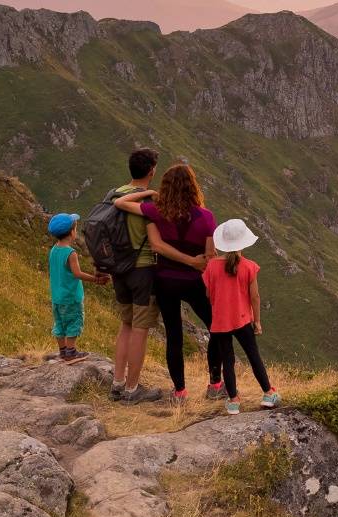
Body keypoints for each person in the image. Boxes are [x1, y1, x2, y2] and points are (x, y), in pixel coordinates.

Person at [113, 162, 222, 404]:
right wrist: (195, 263)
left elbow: (119, 203)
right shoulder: (206, 217)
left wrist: (149, 194)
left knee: (174, 335)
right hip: (194, 282)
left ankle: (180, 391)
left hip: (164, 280)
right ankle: (215, 383)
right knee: (215, 327)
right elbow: (210, 256)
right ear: (193, 187)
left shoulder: (156, 211)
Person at [203, 217, 278, 415]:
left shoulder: (211, 266)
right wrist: (258, 322)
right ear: (243, 242)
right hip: (243, 319)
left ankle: (233, 400)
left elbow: (209, 295)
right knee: (254, 356)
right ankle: (269, 393)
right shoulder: (249, 267)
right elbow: (255, 296)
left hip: (220, 321)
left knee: (227, 360)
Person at [108, 147, 165, 403]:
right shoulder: (146, 201)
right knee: (140, 329)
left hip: (118, 270)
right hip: (141, 270)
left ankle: (117, 383)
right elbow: (155, 243)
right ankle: (133, 389)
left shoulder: (115, 193)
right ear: (151, 171)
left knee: (126, 325)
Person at [46, 212, 108, 361]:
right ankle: (71, 352)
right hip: (71, 296)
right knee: (74, 322)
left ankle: (62, 351)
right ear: (71, 232)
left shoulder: (54, 249)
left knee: (60, 323)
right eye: (75, 228)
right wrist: (96, 280)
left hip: (57, 296)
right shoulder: (70, 253)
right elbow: (77, 274)